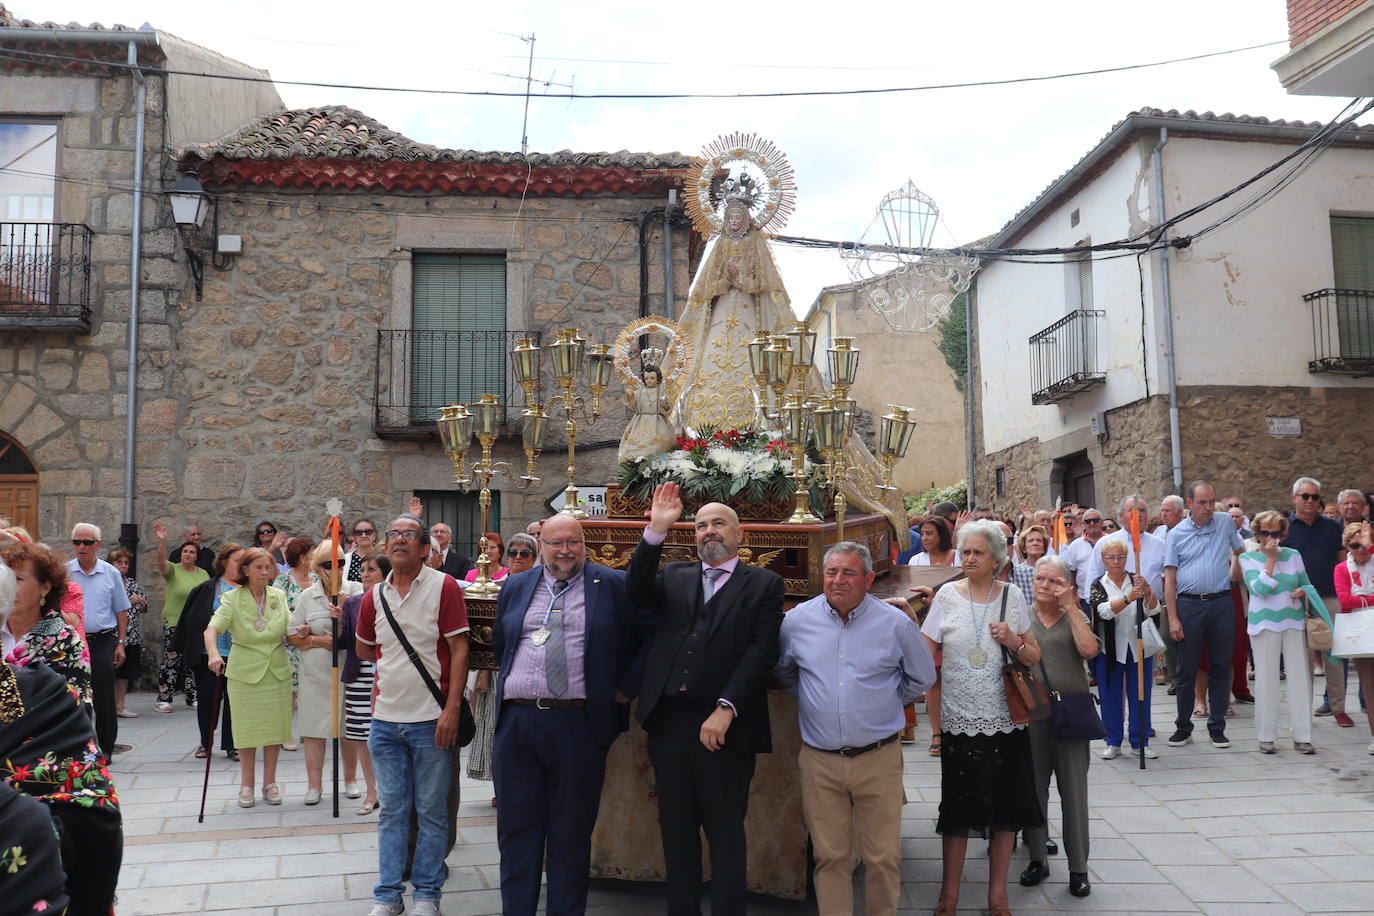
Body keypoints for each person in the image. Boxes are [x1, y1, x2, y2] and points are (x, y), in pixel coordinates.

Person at [628, 483, 784, 916]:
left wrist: (726, 707)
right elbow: (635, 593)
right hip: (670, 723)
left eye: (718, 523)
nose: (708, 531)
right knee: (676, 830)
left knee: (725, 831)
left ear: (739, 536)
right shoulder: (674, 576)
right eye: (700, 525)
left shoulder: (765, 583)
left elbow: (761, 651)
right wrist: (656, 531)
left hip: (725, 727)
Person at [491, 516, 654, 916]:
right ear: (540, 544)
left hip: (577, 724)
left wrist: (623, 688)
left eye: (573, 542)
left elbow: (652, 634)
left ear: (585, 544)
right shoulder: (515, 585)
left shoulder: (612, 585)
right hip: (518, 722)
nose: (565, 550)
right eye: (556, 543)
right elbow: (502, 642)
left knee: (570, 834)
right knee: (516, 834)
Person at [775, 541, 935, 916]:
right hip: (820, 761)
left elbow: (921, 676)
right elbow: (785, 672)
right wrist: (819, 702)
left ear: (867, 578)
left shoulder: (894, 623)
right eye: (831, 572)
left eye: (848, 572)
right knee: (831, 858)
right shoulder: (797, 622)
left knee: (882, 858)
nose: (838, 580)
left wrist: (880, 703)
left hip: (877, 758)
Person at [920, 519, 1043, 916]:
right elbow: (923, 651)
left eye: (978, 552)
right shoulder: (944, 597)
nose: (969, 558)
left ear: (996, 559)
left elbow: (1033, 657)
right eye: (965, 551)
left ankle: (998, 897)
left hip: (1006, 721)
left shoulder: (1012, 596)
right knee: (957, 811)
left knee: (1006, 813)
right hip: (959, 722)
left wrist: (1014, 641)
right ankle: (948, 896)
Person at [356, 514, 470, 916]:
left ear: (425, 548)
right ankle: (387, 896)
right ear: (386, 546)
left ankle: (427, 895)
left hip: (431, 718)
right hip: (385, 720)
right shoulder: (373, 596)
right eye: (394, 535)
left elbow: (459, 650)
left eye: (409, 535)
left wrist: (452, 708)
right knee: (392, 812)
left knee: (432, 811)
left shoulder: (445, 587)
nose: (399, 539)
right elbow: (365, 649)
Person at [1021, 554, 1100, 898]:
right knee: (1034, 791)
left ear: (1067, 586)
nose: (1045, 586)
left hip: (1069, 714)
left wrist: (1071, 609)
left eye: (1054, 581)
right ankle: (1038, 857)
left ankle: (1079, 868)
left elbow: (1089, 650)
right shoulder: (1021, 616)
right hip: (1032, 713)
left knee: (1074, 795)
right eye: (1041, 579)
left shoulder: (1075, 616)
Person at [204, 547, 294, 807]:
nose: (265, 572)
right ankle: (246, 785)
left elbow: (289, 627)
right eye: (258, 567)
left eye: (268, 567)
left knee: (275, 729)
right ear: (244, 570)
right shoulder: (232, 598)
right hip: (244, 672)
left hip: (277, 670)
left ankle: (270, 782)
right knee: (246, 730)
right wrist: (213, 654)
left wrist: (305, 629)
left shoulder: (278, 595)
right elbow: (211, 630)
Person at [1164, 480, 1245, 749]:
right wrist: (1174, 618)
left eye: (1212, 501)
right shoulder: (1176, 534)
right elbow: (1170, 579)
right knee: (1186, 669)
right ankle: (1183, 727)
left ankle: (1217, 727)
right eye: (1202, 502)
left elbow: (1241, 551)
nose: (1209, 507)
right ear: (1189, 503)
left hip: (1221, 603)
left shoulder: (1224, 522)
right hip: (1189, 606)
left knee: (1221, 666)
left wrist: (1236, 571)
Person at [1084, 497, 1164, 760]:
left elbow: (1153, 610)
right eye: (1111, 557)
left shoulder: (1136, 579)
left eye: (1121, 557)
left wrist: (1148, 593)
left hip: (1138, 643)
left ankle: (1140, 741)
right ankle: (1113, 739)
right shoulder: (1099, 584)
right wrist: (1129, 598)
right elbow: (1103, 610)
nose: (1116, 561)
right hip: (1110, 645)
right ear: (1104, 559)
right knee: (1110, 694)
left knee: (1141, 693)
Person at [290, 542, 363, 805]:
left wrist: (343, 603)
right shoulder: (308, 595)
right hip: (316, 670)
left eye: (341, 563)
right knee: (313, 728)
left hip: (346, 669)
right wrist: (313, 639)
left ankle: (351, 780)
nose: (336, 569)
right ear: (318, 569)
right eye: (330, 564)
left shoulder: (355, 589)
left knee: (348, 727)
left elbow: (364, 625)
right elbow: (290, 633)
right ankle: (314, 785)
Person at [1240, 511, 1319, 754]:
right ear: (1257, 534)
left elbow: (1306, 583)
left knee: (1300, 679)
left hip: (1293, 621)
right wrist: (1271, 560)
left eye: (1276, 533)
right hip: (1263, 624)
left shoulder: (1294, 555)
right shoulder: (1247, 558)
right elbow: (1259, 589)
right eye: (1265, 533)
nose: (1271, 538)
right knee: (1265, 679)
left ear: (1283, 533)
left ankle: (1303, 736)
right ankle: (1266, 736)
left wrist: (1303, 592)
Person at [468, 532, 538, 804]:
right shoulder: (497, 586)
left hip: (530, 666)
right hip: (500, 667)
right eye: (514, 552)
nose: (518, 557)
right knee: (494, 728)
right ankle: (501, 787)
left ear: (533, 557)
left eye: (525, 553)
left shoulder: (543, 585)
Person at [1286, 477, 1354, 726]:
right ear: (1294, 498)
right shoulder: (1286, 527)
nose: (1310, 501)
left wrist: (1346, 595)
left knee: (1335, 656)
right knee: (1302, 658)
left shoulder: (1331, 527)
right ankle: (1303, 710)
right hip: (1297, 602)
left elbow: (1342, 561)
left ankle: (1338, 707)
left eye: (1315, 497)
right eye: (1305, 496)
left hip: (1329, 598)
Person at [172, 544, 243, 760]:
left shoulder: (248, 590)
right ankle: (206, 741)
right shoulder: (206, 588)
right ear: (223, 562)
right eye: (237, 561)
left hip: (239, 654)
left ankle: (233, 745)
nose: (242, 565)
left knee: (236, 701)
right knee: (207, 700)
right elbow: (190, 619)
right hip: (209, 655)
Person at [0, 541, 92, 703]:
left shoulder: (66, 641)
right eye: (6, 578)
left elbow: (74, 707)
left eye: (18, 579)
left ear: (45, 588)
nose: (8, 586)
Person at [67, 523, 129, 758]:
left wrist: (121, 643)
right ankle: (81, 748)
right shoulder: (65, 572)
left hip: (103, 640)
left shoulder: (110, 572)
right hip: (73, 641)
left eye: (87, 542)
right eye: (77, 542)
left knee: (103, 696)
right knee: (76, 697)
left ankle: (106, 749)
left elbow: (121, 611)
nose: (81, 547)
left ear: (98, 545)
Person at [338, 553, 390, 815]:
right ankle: (371, 791)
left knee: (384, 734)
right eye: (364, 569)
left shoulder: (393, 599)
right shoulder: (352, 603)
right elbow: (345, 642)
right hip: (359, 675)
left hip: (389, 674)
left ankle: (388, 788)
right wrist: (337, 622)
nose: (366, 574)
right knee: (360, 734)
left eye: (372, 569)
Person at [152, 523, 210, 712]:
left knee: (193, 660)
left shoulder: (203, 574)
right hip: (175, 622)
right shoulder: (174, 570)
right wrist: (162, 541)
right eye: (185, 551)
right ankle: (164, 698)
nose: (187, 554)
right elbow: (161, 562)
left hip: (196, 624)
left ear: (196, 556)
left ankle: (192, 696)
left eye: (191, 552)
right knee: (171, 660)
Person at [274, 536, 317, 753]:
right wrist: (293, 628)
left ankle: (309, 730)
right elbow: (276, 611)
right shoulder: (283, 581)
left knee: (310, 688)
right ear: (302, 557)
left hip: (313, 642)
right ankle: (285, 734)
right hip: (289, 643)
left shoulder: (318, 579)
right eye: (312, 553)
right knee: (290, 690)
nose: (316, 556)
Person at [1334, 521, 1374, 754]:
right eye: (1354, 545)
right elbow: (1345, 600)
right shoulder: (1342, 568)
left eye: (1364, 545)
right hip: (1361, 629)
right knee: (1369, 686)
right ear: (1347, 546)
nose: (1360, 550)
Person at [107, 547, 147, 719]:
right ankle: (105, 706)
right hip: (111, 635)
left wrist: (140, 600)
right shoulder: (106, 582)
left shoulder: (131, 583)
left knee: (125, 674)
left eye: (126, 563)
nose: (123, 566)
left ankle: (119, 705)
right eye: (119, 562)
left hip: (131, 635)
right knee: (108, 673)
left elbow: (145, 605)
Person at [618, 363, 678, 462]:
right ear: (644, 379)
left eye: (652, 378)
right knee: (638, 448)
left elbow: (668, 410)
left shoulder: (661, 392)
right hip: (640, 423)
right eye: (647, 378)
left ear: (658, 379)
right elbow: (632, 405)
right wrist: (630, 396)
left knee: (658, 447)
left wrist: (665, 405)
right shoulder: (639, 393)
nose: (649, 380)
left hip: (658, 424)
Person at [1061, 508, 1106, 604]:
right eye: (1088, 521)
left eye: (1095, 520)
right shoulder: (1075, 545)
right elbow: (1071, 572)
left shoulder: (1111, 541)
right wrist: (1074, 595)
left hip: (1111, 597)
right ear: (1083, 524)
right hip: (1085, 598)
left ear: (1102, 522)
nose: (1092, 523)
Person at [1011, 525, 1050, 599]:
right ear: (1024, 547)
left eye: (1039, 540)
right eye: (1031, 540)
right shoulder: (1016, 572)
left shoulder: (1050, 571)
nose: (1035, 543)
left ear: (1044, 548)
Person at [345, 518, 381, 583]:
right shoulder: (345, 560)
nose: (363, 535)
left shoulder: (382, 558)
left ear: (374, 535)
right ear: (354, 537)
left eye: (368, 532)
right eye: (359, 532)